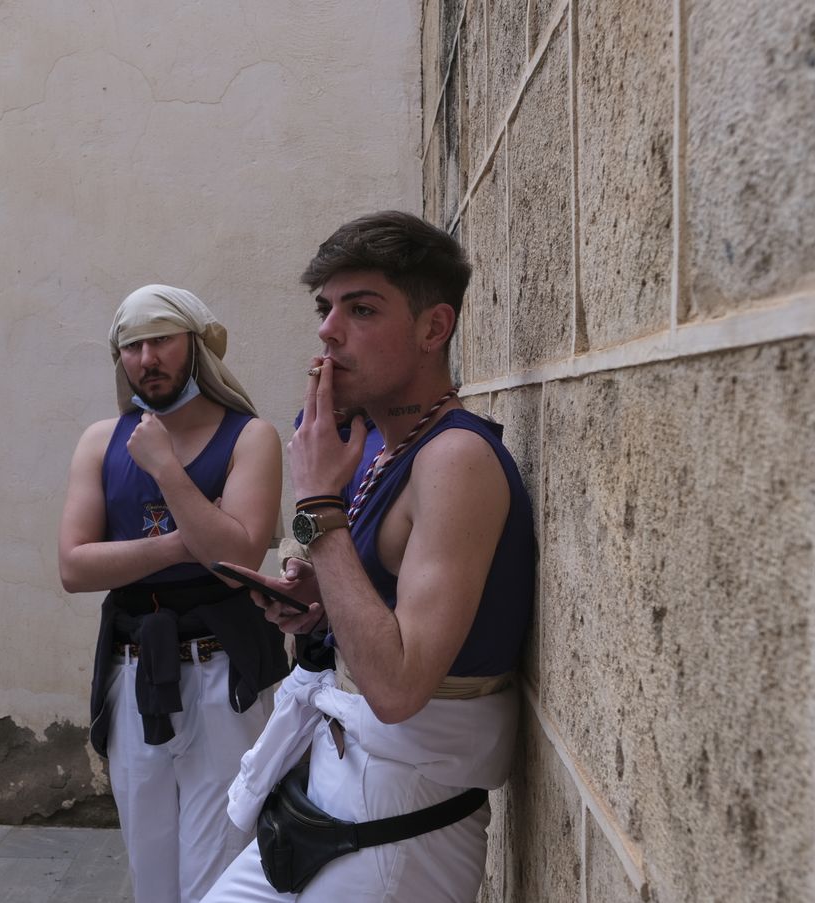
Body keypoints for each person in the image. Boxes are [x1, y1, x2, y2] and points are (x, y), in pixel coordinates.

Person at [205, 211, 537, 902]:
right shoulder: (380, 449)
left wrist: (319, 501)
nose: (328, 330)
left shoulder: (455, 459)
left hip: (400, 830)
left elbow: (397, 687)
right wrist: (319, 599)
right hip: (330, 789)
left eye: (361, 309)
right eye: (326, 308)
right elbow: (384, 604)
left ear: (433, 327)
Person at [58, 285, 289, 903]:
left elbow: (238, 557)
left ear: (196, 345)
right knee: (152, 873)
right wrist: (191, 541)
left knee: (222, 873)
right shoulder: (100, 441)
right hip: (136, 679)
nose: (146, 358)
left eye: (160, 340)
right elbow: (75, 566)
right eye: (131, 346)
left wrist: (164, 467)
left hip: (226, 678)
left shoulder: (250, 437)